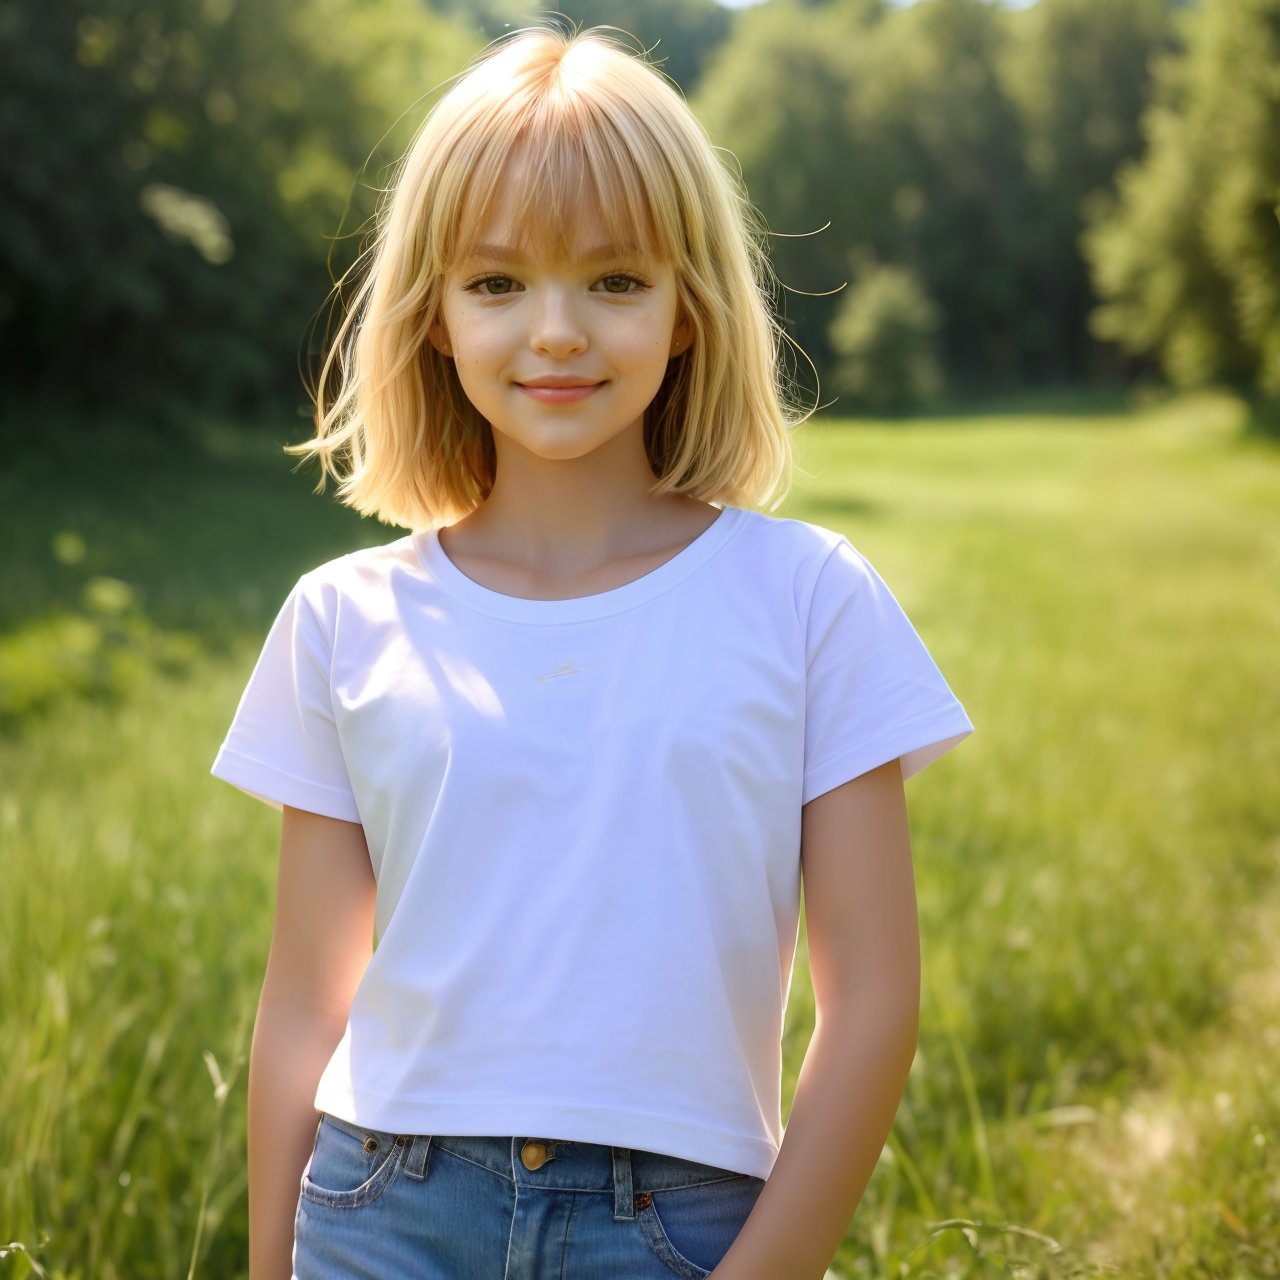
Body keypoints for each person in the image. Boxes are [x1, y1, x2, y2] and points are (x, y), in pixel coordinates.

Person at [211, 24, 974, 1280]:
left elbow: (873, 1002)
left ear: (687, 313)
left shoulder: (806, 597)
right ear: (433, 318)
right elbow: (303, 1000)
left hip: (680, 1225)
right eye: (497, 282)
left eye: (614, 280)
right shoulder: (343, 616)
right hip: (380, 1202)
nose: (555, 330)